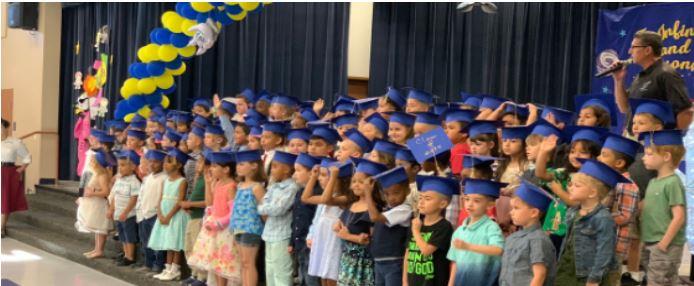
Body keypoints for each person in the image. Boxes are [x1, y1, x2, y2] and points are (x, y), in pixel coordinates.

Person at [554, 159, 623, 285]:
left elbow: (605, 251)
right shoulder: (573, 212)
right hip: (567, 269)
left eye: (577, 186)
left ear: (592, 193)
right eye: (571, 184)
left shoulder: (603, 218)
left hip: (587, 274)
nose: (570, 188)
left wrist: (594, 278)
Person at [611, 30, 692, 130]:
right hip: (637, 139)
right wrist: (618, 80)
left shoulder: (666, 74)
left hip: (656, 142)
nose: (629, 51)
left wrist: (670, 140)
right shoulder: (641, 76)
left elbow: (686, 112)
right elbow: (624, 108)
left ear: (648, 50)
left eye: (633, 47)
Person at [640, 130, 687, 285]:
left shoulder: (672, 182)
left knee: (657, 281)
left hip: (665, 244)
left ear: (666, 156)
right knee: (666, 281)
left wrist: (664, 243)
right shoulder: (654, 182)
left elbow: (679, 216)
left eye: (649, 154)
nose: (643, 157)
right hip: (651, 241)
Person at [335, 159, 386, 286]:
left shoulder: (375, 209)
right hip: (347, 260)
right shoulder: (352, 205)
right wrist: (337, 226)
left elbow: (372, 239)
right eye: (354, 181)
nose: (356, 185)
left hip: (363, 262)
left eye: (361, 182)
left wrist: (349, 236)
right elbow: (340, 225)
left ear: (372, 185)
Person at [447, 179, 505, 286]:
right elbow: (455, 262)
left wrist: (468, 246)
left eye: (477, 201)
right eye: (467, 199)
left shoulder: (491, 227)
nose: (469, 204)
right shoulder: (459, 231)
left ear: (490, 205)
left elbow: (498, 250)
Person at [500, 180, 556, 286]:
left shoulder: (538, 239)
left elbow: (540, 275)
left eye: (516, 208)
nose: (511, 212)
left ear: (533, 212)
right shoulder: (513, 237)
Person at [258, 151, 301, 286]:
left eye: (276, 166)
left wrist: (265, 207)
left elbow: (278, 209)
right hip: (269, 233)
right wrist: (266, 207)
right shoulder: (273, 186)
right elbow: (262, 205)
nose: (272, 170)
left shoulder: (292, 188)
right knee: (270, 272)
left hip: (282, 235)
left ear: (287, 169)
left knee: (281, 273)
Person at [404, 175, 455, 286]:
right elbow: (408, 253)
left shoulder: (444, 226)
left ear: (442, 204)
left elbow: (426, 251)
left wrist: (416, 232)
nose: (421, 202)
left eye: (427, 199)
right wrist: (404, 281)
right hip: (413, 281)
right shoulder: (416, 223)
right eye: (420, 198)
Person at [149, 149, 190, 281]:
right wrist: (160, 214)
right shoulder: (165, 181)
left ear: (179, 165)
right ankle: (167, 269)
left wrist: (169, 216)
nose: (165, 165)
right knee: (167, 242)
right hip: (164, 214)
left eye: (169, 162)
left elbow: (179, 201)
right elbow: (161, 198)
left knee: (175, 243)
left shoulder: (182, 181)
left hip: (175, 215)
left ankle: (175, 269)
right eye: (165, 162)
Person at [367, 166, 413, 286]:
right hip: (379, 262)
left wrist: (367, 193)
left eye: (396, 193)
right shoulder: (388, 209)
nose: (391, 198)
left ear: (407, 191)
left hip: (393, 263)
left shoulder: (405, 209)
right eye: (387, 194)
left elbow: (374, 217)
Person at [229, 150, 266, 286]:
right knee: (243, 262)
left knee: (249, 262)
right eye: (238, 164)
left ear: (254, 166)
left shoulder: (257, 188)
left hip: (251, 228)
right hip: (238, 227)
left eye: (242, 164)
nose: (238, 167)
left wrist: (267, 226)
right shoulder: (239, 186)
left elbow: (264, 210)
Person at [75, 150, 114, 259]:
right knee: (97, 228)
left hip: (99, 204)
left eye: (93, 159)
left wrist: (93, 193)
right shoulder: (91, 172)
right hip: (92, 204)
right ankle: (96, 249)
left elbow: (106, 192)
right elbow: (84, 187)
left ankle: (100, 250)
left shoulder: (102, 174)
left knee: (101, 228)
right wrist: (81, 196)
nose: (90, 160)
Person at [135, 150, 167, 274]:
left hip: (156, 215)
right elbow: (142, 195)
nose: (152, 165)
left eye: (156, 162)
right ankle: (148, 263)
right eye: (150, 162)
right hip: (144, 213)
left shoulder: (165, 178)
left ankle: (158, 265)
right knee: (145, 241)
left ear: (162, 163)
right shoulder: (147, 178)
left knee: (157, 242)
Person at [108, 150, 142, 266]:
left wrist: (126, 212)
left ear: (133, 167)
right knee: (122, 236)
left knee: (129, 236)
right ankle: (125, 254)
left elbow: (134, 198)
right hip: (118, 213)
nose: (120, 168)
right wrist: (111, 209)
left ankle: (130, 257)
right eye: (119, 166)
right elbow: (115, 196)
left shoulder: (134, 182)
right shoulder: (119, 179)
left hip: (128, 215)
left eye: (123, 165)